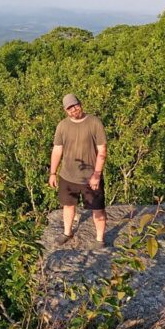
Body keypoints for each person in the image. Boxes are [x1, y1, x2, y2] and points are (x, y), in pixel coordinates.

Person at [49, 93, 107, 248]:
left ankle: (100, 239)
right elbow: (57, 150)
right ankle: (67, 232)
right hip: (68, 175)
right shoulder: (62, 126)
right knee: (68, 205)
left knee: (97, 208)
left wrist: (97, 174)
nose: (73, 110)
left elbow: (102, 151)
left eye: (75, 105)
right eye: (69, 108)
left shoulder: (94, 122)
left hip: (90, 176)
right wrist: (53, 173)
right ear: (65, 110)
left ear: (80, 104)